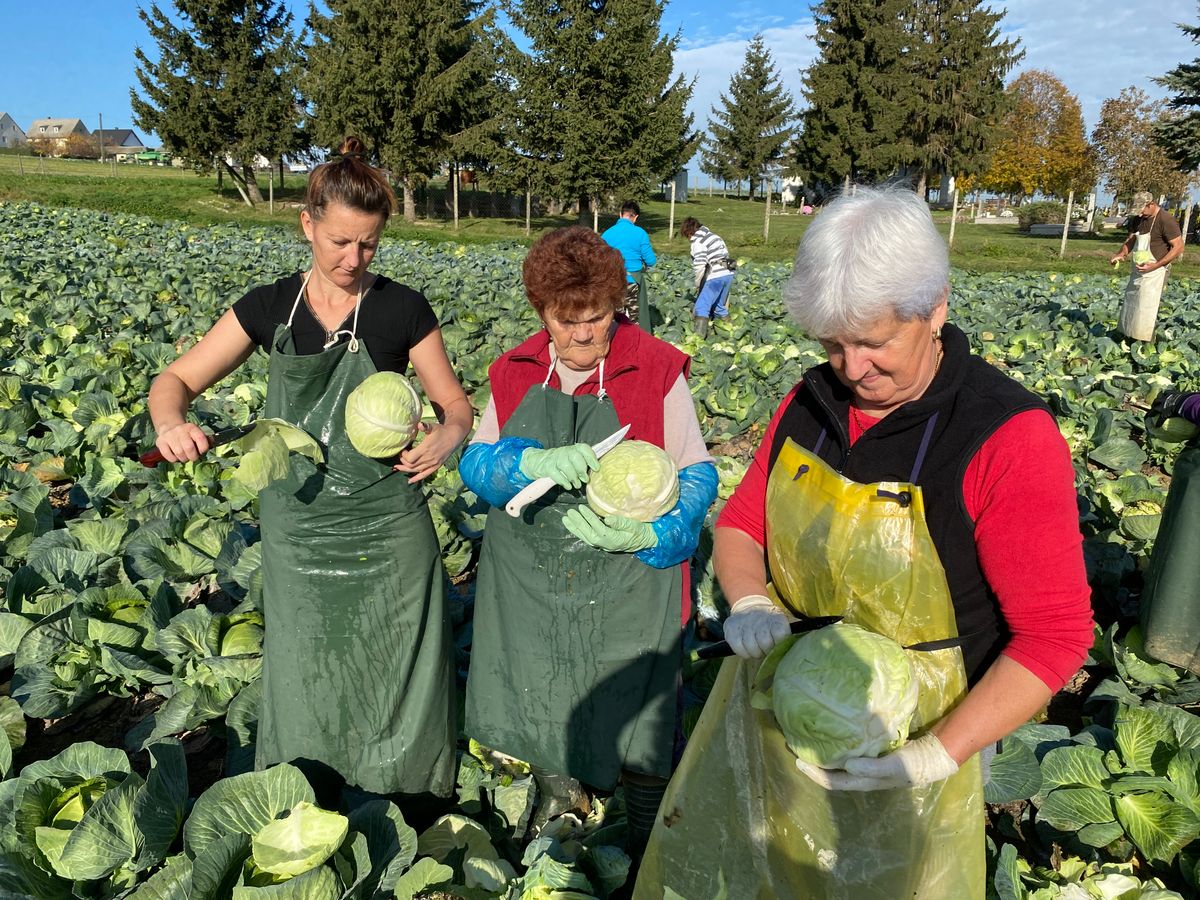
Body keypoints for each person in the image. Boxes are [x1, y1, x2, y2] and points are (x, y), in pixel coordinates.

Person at [634, 187, 1093, 899]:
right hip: (778, 721)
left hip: (917, 749)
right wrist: (750, 599)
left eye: (875, 342)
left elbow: (1054, 637)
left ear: (935, 306)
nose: (851, 369)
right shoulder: (809, 403)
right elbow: (740, 525)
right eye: (832, 343)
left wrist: (933, 755)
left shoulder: (1007, 437)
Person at [147, 138, 471, 802]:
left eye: (370, 245)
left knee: (399, 665)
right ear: (308, 225)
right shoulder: (269, 308)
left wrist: (448, 437)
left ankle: (405, 794)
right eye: (341, 243)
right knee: (307, 666)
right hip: (300, 527)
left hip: (389, 526)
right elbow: (175, 379)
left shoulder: (402, 309)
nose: (354, 260)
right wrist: (170, 422)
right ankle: (307, 790)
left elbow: (457, 405)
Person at [458, 225, 718, 856]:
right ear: (542, 312)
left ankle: (649, 828)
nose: (580, 334)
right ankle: (558, 793)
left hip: (629, 576)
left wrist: (656, 529)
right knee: (538, 683)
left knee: (640, 702)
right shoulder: (515, 369)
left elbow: (698, 471)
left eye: (595, 317)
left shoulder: (654, 368)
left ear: (617, 307)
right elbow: (474, 463)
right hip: (533, 575)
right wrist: (522, 465)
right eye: (563, 318)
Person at [1110, 191, 1184, 342]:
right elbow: (1131, 240)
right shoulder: (1139, 219)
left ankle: (1146, 342)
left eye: (1142, 209)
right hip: (1138, 270)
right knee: (1132, 305)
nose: (1139, 213)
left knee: (1146, 310)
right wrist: (1121, 254)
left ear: (1151, 204)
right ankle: (1130, 339)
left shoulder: (1166, 220)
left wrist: (1155, 265)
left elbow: (1178, 247)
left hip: (1156, 272)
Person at [601, 201, 657, 328]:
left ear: (620, 215)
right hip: (633, 281)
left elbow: (599, 258)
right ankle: (635, 344)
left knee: (614, 319)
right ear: (635, 217)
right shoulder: (640, 233)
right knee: (635, 320)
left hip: (614, 282)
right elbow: (651, 260)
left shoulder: (607, 234)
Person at [681, 217, 734, 338]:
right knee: (719, 307)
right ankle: (732, 332)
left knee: (701, 308)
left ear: (689, 232)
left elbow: (700, 265)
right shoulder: (714, 236)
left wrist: (698, 283)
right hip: (728, 274)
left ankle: (698, 341)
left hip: (716, 276)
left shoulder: (698, 242)